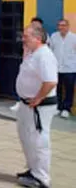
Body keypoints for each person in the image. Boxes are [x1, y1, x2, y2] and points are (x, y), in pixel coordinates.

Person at [15, 22, 58, 188]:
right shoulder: (32, 53)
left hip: (39, 106)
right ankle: (33, 170)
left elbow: (50, 81)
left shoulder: (44, 55)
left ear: (38, 38)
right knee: (27, 139)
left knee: (39, 141)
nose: (23, 39)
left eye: (26, 36)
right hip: (26, 104)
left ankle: (42, 177)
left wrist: (39, 98)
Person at [49, 19, 76, 119]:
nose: (61, 27)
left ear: (68, 26)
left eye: (63, 25)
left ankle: (66, 109)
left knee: (69, 89)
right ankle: (58, 107)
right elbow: (51, 50)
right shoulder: (54, 36)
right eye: (59, 25)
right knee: (57, 89)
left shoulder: (74, 37)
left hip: (70, 68)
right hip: (56, 67)